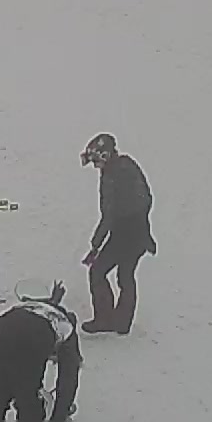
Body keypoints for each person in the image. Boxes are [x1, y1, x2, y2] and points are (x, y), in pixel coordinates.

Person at [80, 133, 155, 334]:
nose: (95, 166)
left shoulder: (111, 178)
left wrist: (95, 245)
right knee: (126, 276)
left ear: (104, 156)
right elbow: (147, 198)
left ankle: (104, 320)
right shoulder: (127, 164)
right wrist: (141, 223)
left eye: (96, 162)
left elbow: (109, 215)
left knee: (97, 272)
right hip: (139, 234)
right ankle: (122, 323)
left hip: (124, 234)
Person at [0, 281, 79, 422]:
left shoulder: (35, 307)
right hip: (30, 340)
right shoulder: (66, 330)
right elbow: (67, 380)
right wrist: (59, 416)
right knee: (28, 399)